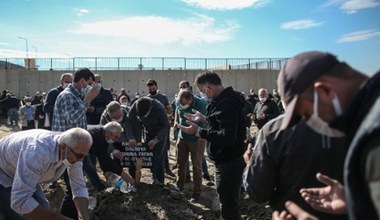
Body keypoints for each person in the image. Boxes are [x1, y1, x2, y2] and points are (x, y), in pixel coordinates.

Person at [276, 51, 380, 219]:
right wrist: (357, 199)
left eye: (306, 115)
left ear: (325, 91)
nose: (310, 124)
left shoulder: (374, 141)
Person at [243, 115, 347, 219]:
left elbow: (258, 192)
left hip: (290, 214)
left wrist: (250, 164)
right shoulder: (352, 122)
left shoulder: (273, 130)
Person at [178, 71, 246, 219]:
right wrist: (204, 119)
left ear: (209, 87)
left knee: (229, 207)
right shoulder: (221, 101)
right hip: (225, 161)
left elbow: (228, 136)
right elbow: (219, 123)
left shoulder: (227, 103)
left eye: (202, 91)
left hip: (229, 163)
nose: (202, 95)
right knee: (227, 203)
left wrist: (200, 132)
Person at [0, 127, 92, 220]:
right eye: (79, 156)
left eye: (85, 156)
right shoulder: (38, 153)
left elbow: (78, 187)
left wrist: (83, 216)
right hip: (3, 172)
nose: (81, 161)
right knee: (23, 215)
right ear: (64, 148)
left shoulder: (73, 151)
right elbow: (20, 201)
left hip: (21, 170)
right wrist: (56, 218)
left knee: (43, 207)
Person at [51, 67, 105, 218]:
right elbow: (72, 119)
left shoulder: (77, 96)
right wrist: (87, 100)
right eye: (89, 83)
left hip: (75, 150)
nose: (90, 88)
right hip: (66, 150)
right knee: (72, 189)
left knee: (76, 187)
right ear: (82, 81)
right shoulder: (67, 95)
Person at [127, 97, 170, 186]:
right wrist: (131, 137)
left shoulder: (159, 108)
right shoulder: (135, 105)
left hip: (159, 133)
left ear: (150, 108)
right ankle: (153, 176)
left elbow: (165, 126)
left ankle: (160, 181)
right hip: (147, 132)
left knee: (159, 157)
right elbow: (129, 122)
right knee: (150, 155)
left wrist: (156, 139)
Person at [175, 89, 208, 200]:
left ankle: (197, 191)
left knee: (196, 166)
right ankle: (179, 186)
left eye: (184, 103)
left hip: (196, 140)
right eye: (180, 103)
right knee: (181, 163)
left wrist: (201, 133)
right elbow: (177, 110)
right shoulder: (178, 101)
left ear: (190, 100)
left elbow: (208, 122)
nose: (181, 105)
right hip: (182, 138)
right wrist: (176, 122)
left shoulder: (202, 104)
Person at [146, 79, 175, 178]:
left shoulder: (163, 97)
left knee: (164, 148)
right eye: (150, 88)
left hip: (163, 127)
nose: (151, 89)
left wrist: (170, 112)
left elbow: (169, 108)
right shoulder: (147, 98)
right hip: (151, 128)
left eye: (153, 87)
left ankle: (166, 168)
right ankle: (154, 170)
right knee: (152, 148)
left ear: (156, 87)